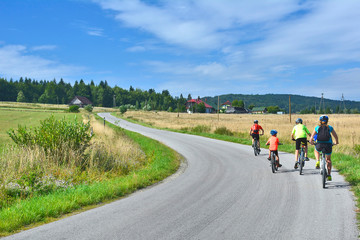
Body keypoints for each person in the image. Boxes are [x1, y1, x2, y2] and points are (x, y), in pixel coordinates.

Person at [310, 115, 339, 181]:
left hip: (319, 145)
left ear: (320, 121)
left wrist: (311, 142)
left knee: (316, 150)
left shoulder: (317, 127)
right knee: (328, 159)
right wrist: (336, 142)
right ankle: (329, 175)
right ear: (327, 121)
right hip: (328, 145)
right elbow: (336, 137)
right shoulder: (330, 127)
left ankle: (317, 160)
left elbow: (311, 137)